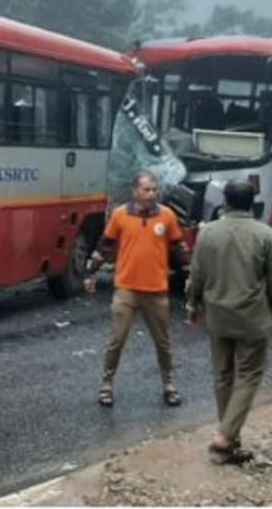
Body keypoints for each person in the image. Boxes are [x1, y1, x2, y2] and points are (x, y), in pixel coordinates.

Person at [185, 180, 272, 465]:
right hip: (251, 316)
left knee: (222, 374)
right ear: (253, 202)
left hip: (216, 314)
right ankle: (225, 435)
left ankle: (230, 442)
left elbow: (197, 274)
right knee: (249, 374)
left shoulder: (208, 233)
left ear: (225, 201)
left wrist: (192, 304)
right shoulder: (266, 234)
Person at [86, 170, 189, 408]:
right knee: (117, 340)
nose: (151, 194)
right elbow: (105, 245)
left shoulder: (167, 216)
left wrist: (190, 274)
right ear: (135, 191)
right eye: (146, 190)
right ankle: (106, 386)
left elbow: (179, 247)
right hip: (126, 289)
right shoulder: (121, 215)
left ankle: (169, 385)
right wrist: (91, 272)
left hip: (156, 289)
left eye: (154, 190)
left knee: (163, 342)